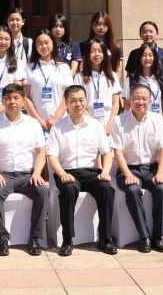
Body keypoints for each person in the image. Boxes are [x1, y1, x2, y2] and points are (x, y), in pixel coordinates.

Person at [47, 85, 117, 256]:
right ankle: (67, 239)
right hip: (67, 172)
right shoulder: (58, 127)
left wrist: (105, 171)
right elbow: (51, 157)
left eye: (81, 100)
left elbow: (107, 153)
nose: (78, 104)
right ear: (66, 103)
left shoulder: (96, 125)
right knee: (69, 189)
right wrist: (63, 174)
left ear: (86, 101)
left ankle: (105, 239)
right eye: (73, 101)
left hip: (91, 172)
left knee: (106, 188)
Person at [0, 84, 49, 257]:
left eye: (16, 98)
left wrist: (37, 173)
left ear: (23, 101)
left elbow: (41, 152)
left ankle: (35, 238)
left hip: (28, 175)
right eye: (8, 98)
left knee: (42, 191)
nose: (12, 102)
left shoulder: (33, 124)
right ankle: (2, 238)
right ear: (3, 101)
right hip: (3, 175)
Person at [111, 84, 163, 253]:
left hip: (151, 169)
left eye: (144, 99)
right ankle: (144, 236)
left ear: (151, 101)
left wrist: (160, 173)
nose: (140, 102)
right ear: (129, 100)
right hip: (128, 169)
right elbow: (118, 152)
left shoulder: (157, 119)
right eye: (136, 98)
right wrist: (128, 174)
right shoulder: (119, 121)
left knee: (162, 189)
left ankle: (157, 236)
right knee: (132, 190)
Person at [24, 30, 71, 134]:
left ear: (53, 44)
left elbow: (67, 96)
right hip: (35, 123)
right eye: (39, 44)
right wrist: (38, 120)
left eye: (47, 42)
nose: (44, 46)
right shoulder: (29, 68)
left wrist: (56, 118)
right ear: (35, 47)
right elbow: (26, 97)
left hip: (60, 122)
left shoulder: (63, 67)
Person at [0, 26, 27, 124]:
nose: (3, 42)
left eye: (7, 39)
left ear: (11, 41)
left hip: (11, 108)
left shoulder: (17, 62)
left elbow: (16, 88)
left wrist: (0, 110)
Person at [75, 39, 121, 131]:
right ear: (87, 54)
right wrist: (91, 122)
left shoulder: (112, 76)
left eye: (100, 51)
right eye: (92, 51)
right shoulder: (79, 76)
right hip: (87, 117)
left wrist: (110, 124)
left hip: (108, 118)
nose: (96, 54)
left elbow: (116, 102)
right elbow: (78, 102)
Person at [124, 45, 163, 117]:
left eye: (150, 55)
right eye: (144, 55)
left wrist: (162, 119)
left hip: (156, 121)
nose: (147, 58)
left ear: (155, 58)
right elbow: (127, 105)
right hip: (137, 121)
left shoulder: (162, 80)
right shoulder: (131, 79)